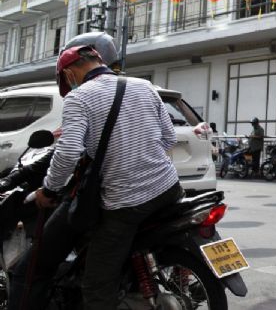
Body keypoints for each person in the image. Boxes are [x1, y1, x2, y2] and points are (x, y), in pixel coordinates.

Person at [10, 41, 182, 310]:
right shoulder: (144, 85)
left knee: (96, 285)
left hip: (126, 203)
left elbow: (68, 154)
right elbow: (168, 137)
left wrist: (50, 190)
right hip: (169, 188)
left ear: (69, 74)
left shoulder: (80, 98)